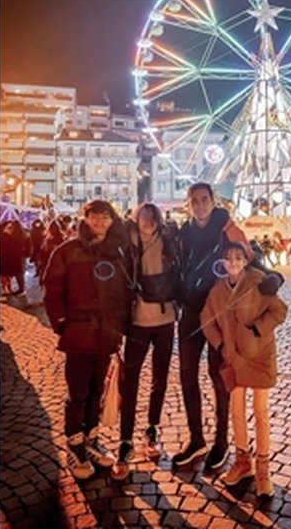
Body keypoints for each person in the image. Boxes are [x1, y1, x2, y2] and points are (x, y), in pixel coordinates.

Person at [42, 200, 133, 480]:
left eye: (105, 216)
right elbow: (52, 289)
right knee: (77, 391)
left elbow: (125, 290)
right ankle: (75, 443)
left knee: (97, 390)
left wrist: (120, 325)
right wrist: (61, 324)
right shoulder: (68, 250)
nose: (100, 221)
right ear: (87, 218)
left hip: (106, 334)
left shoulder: (118, 251)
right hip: (80, 332)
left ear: (111, 220)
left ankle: (91, 439)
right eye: (95, 215)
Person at [173, 182, 250, 470]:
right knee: (187, 375)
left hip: (220, 314)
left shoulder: (229, 231)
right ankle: (196, 439)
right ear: (189, 204)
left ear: (214, 201)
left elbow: (251, 261)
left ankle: (221, 442)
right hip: (191, 312)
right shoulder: (183, 234)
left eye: (205, 200)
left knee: (219, 377)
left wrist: (267, 281)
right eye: (195, 201)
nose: (201, 205)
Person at [203, 240, 288, 497]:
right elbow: (206, 320)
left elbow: (279, 311)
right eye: (228, 258)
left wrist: (256, 329)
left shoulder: (259, 281)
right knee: (236, 411)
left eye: (238, 257)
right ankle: (243, 461)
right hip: (234, 359)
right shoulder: (217, 290)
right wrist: (219, 345)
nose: (233, 262)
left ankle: (263, 467)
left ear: (246, 259)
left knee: (260, 412)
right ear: (222, 262)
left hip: (260, 355)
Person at [110, 203, 178, 480]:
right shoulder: (126, 241)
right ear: (135, 219)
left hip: (166, 320)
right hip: (138, 321)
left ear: (159, 219)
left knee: (159, 380)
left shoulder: (170, 239)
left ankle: (152, 429)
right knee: (131, 381)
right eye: (143, 216)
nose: (148, 221)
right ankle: (125, 441)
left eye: (153, 216)